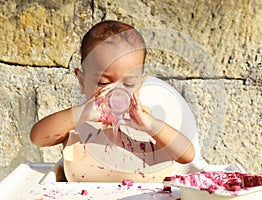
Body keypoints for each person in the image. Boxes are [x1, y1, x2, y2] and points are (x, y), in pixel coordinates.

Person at [30, 20, 203, 182]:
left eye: (128, 84)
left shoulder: (145, 120)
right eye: (103, 83)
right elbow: (38, 138)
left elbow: (187, 156)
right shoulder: (76, 123)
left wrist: (150, 125)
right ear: (82, 82)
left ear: (140, 84)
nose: (115, 91)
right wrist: (81, 114)